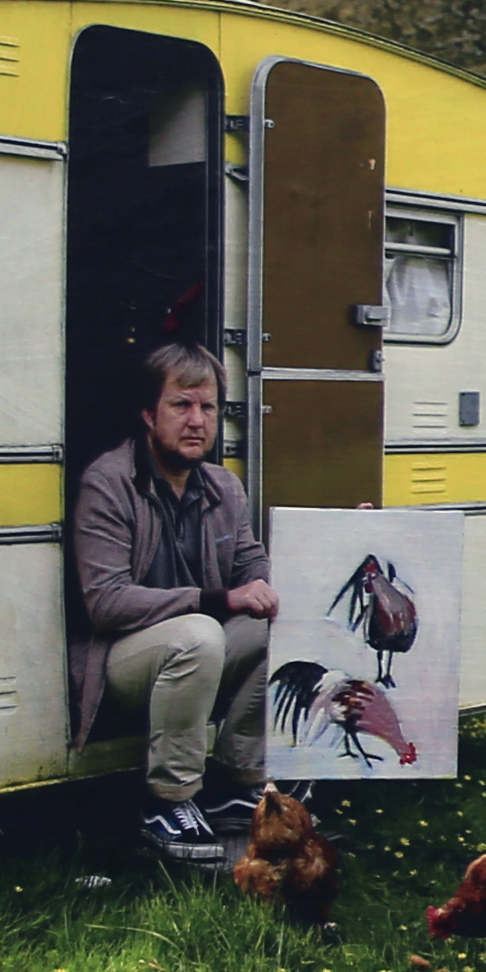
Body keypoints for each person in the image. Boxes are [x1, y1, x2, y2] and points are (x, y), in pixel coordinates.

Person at [65, 342, 280, 869]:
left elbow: (256, 568)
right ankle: (169, 801)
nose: (197, 421)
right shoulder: (108, 483)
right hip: (120, 657)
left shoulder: (224, 486)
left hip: (191, 651)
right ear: (148, 414)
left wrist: (343, 542)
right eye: (181, 406)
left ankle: (238, 782)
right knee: (201, 633)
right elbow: (105, 602)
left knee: (277, 625)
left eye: (208, 408)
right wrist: (217, 598)